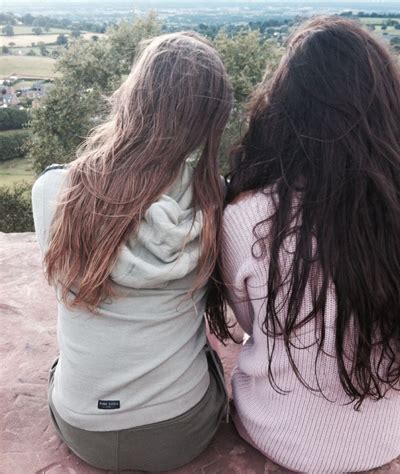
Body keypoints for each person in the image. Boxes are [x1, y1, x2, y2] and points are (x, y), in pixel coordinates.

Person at [206, 17, 400, 473]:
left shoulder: (244, 216)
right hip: (395, 431)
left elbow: (250, 318)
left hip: (277, 431)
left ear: (283, 110)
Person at [32, 32, 232, 471]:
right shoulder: (217, 201)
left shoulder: (53, 191)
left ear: (131, 95)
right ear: (209, 120)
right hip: (183, 430)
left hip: (82, 427)